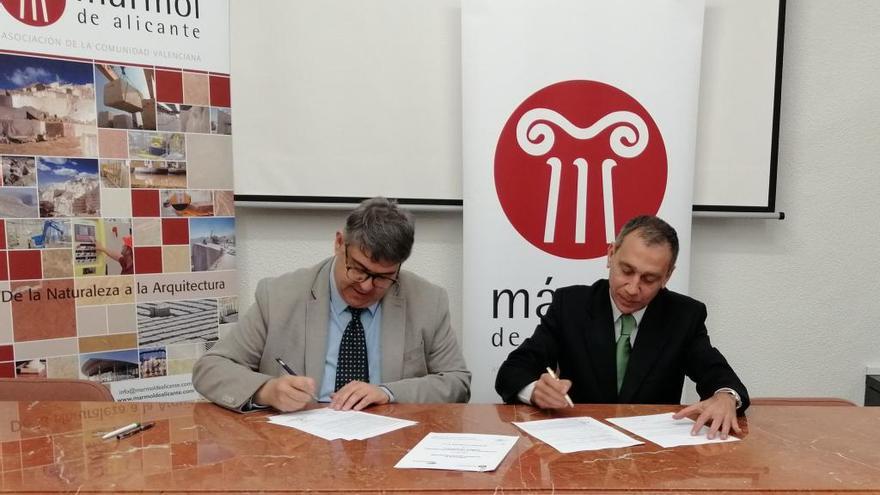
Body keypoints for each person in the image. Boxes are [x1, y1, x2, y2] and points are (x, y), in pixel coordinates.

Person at [193, 197, 471, 412]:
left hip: (389, 449)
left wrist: (388, 392)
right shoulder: (278, 295)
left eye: (383, 278)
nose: (365, 286)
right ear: (339, 243)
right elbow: (211, 368)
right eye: (358, 269)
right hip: (299, 453)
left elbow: (457, 383)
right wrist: (266, 390)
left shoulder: (427, 301)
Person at [495, 215, 749, 439]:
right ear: (610, 255)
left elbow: (717, 374)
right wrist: (535, 391)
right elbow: (513, 371)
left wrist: (726, 397)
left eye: (649, 279)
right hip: (579, 452)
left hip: (651, 459)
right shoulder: (570, 306)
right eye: (626, 271)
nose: (632, 288)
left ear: (667, 276)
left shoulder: (683, 316)